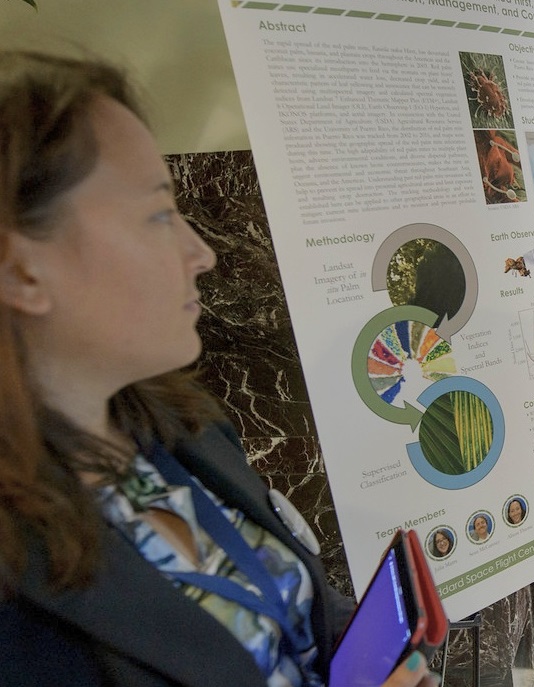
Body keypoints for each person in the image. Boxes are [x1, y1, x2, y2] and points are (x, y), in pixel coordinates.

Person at [0, 51, 437, 687]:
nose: (202, 253)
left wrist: (364, 659)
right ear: (20, 271)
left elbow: (289, 608)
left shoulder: (183, 426)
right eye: (157, 214)